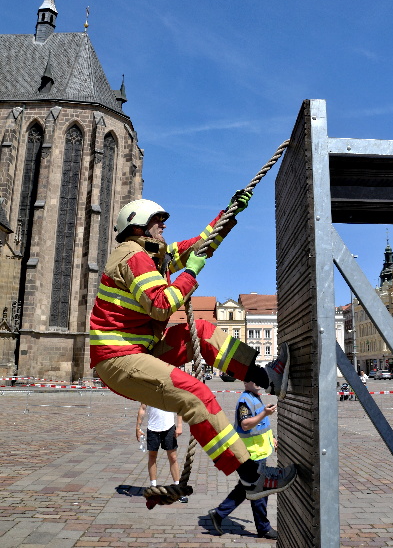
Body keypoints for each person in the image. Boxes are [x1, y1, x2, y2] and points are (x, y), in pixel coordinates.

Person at [90, 197, 296, 503]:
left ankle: (266, 379)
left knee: (201, 331)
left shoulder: (152, 255)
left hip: (140, 351)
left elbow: (198, 246)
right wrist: (190, 274)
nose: (164, 225)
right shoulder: (132, 256)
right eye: (158, 220)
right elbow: (162, 306)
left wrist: (228, 215)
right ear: (138, 224)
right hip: (118, 358)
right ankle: (253, 478)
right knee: (195, 394)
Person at [208, 379, 278, 539]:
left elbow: (261, 425)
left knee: (246, 488)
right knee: (259, 491)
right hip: (250, 456)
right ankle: (263, 528)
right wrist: (264, 413)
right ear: (245, 382)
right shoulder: (244, 401)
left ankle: (218, 515)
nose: (258, 381)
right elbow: (245, 424)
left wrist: (271, 437)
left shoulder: (255, 396)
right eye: (253, 379)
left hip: (259, 454)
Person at [136, 403, 188, 503]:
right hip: (153, 428)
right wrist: (138, 428)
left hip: (169, 428)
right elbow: (142, 408)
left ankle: (177, 488)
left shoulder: (169, 389)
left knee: (173, 457)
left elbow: (179, 406)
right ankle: (153, 488)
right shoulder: (148, 389)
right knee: (152, 456)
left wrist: (180, 425)